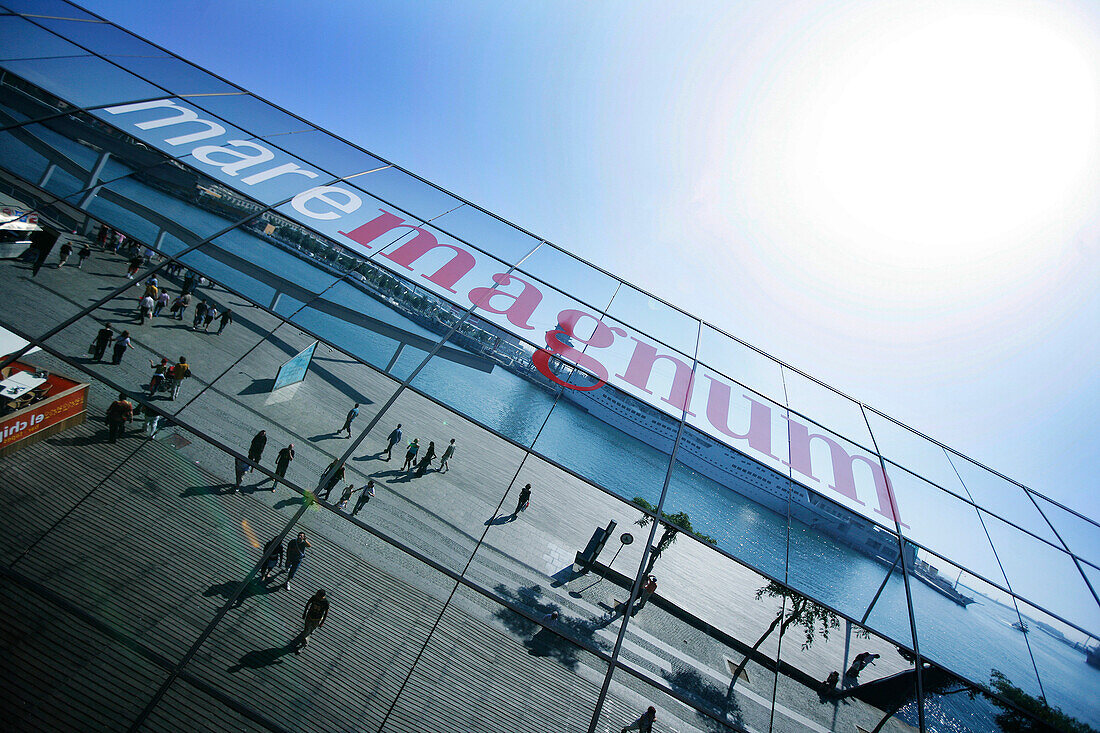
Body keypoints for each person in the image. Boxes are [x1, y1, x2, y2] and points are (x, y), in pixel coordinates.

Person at [296, 589, 329, 654]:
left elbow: (326, 613)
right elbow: (308, 604)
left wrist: (322, 622)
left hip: (317, 619)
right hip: (310, 616)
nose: (316, 595)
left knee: (308, 631)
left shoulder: (326, 602)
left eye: (317, 595)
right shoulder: (314, 597)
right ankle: (304, 644)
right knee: (307, 631)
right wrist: (305, 613)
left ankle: (307, 636)